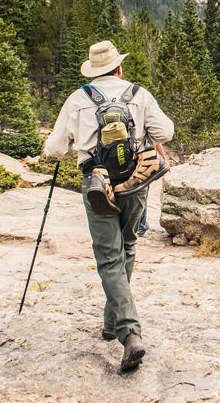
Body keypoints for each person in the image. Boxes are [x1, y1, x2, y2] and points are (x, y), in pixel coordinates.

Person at [44, 40, 174, 372]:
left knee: (108, 257)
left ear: (93, 71)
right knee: (127, 245)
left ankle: (128, 332)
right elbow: (166, 132)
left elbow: (54, 149)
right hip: (136, 181)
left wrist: (76, 140)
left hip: (97, 185)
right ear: (118, 68)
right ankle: (113, 321)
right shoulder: (138, 94)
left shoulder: (77, 98)